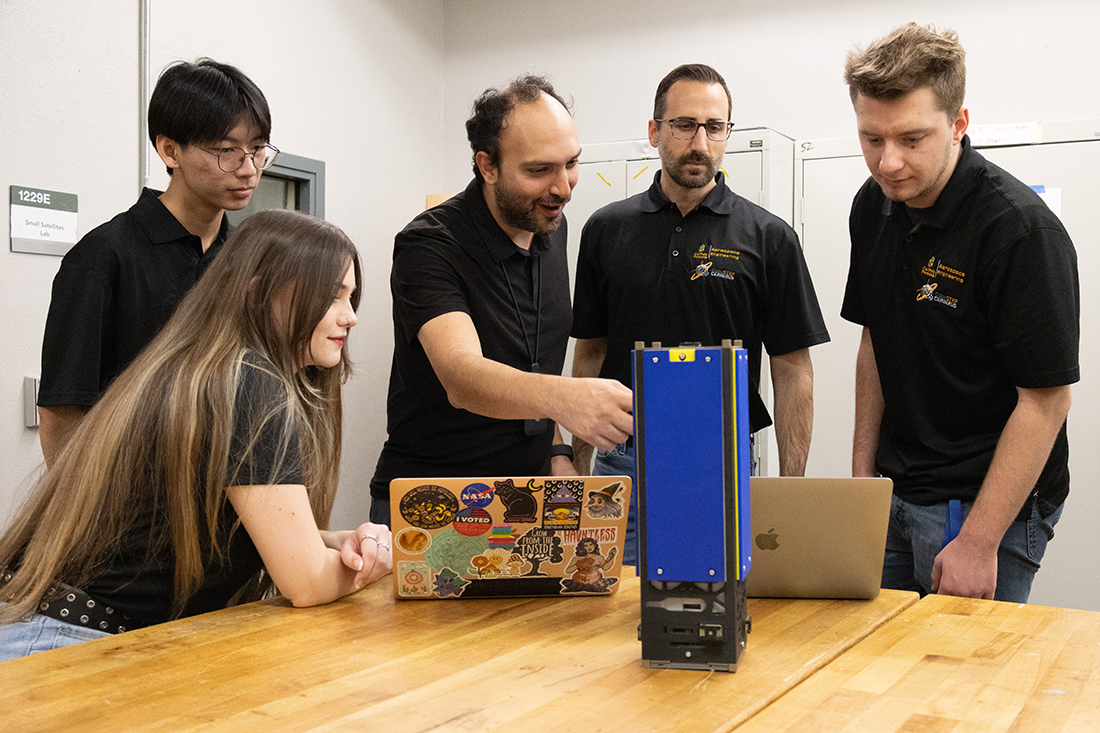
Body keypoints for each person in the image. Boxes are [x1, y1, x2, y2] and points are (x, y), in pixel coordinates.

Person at [0, 210, 391, 661]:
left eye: (351, 297)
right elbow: (304, 582)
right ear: (259, 291)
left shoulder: (206, 367)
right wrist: (372, 568)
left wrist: (331, 543)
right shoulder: (249, 382)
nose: (350, 317)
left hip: (51, 628)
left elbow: (206, 527)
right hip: (60, 643)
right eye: (332, 296)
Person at [842, 23, 1079, 602]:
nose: (888, 161)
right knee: (881, 675)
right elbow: (876, 339)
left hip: (983, 506)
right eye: (871, 139)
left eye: (912, 138)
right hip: (895, 491)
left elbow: (1045, 400)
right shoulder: (872, 207)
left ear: (959, 124)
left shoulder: (1018, 230)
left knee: (962, 684)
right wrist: (861, 479)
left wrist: (978, 541)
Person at [571, 64, 829, 564]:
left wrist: (790, 490)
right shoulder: (605, 230)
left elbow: (793, 369)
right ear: (654, 132)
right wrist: (581, 472)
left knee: (715, 610)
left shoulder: (768, 238)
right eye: (685, 125)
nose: (701, 142)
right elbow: (589, 352)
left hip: (725, 463)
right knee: (604, 615)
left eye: (715, 127)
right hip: (621, 464)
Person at [369, 75, 634, 526]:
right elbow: (461, 376)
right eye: (538, 170)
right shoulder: (429, 243)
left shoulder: (552, 224)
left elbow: (533, 360)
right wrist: (564, 398)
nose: (563, 187)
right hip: (434, 501)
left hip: (527, 499)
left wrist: (556, 452)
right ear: (487, 165)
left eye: (571, 163)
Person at [37, 58, 276, 466]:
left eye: (257, 150)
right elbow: (62, 414)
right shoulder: (104, 256)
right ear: (170, 150)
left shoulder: (248, 261)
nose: (249, 169)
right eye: (227, 151)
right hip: (129, 508)